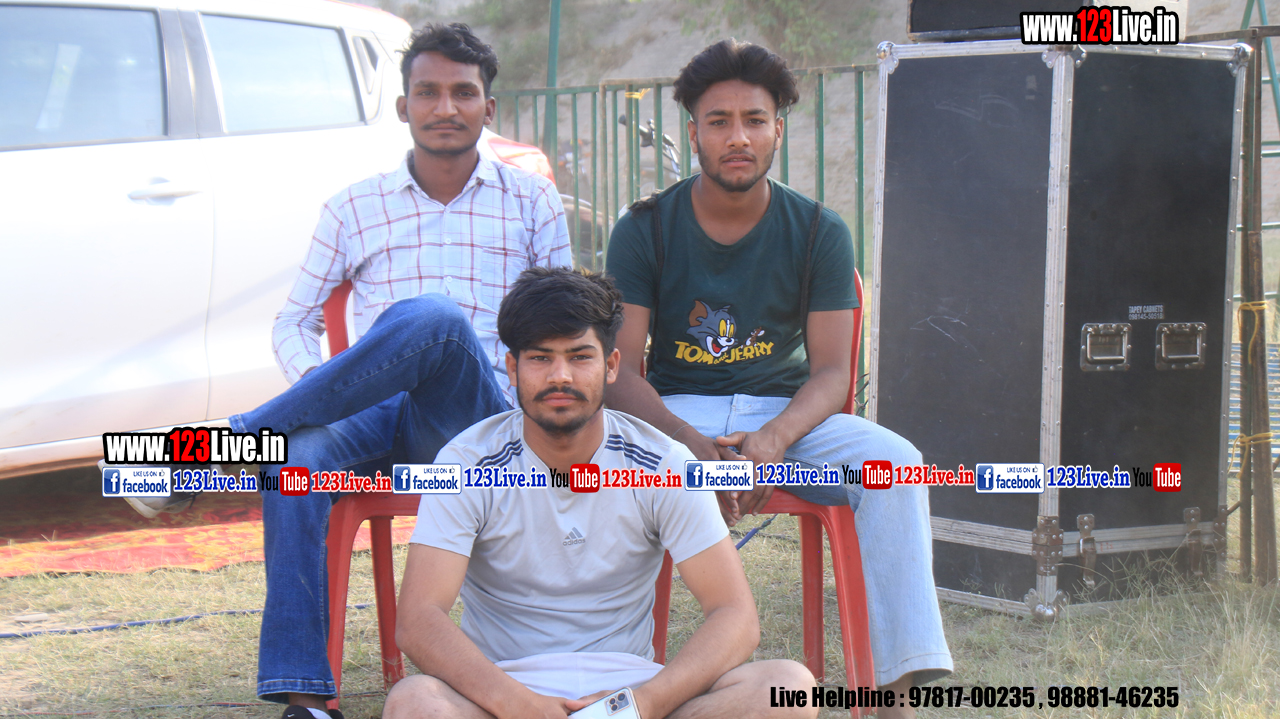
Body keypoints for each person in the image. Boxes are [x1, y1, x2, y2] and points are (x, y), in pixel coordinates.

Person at [209, 23, 569, 718]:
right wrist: (324, 392)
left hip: (482, 418)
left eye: (463, 93)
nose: (445, 107)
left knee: (436, 319)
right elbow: (294, 321)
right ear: (403, 107)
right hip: (374, 414)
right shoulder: (353, 205)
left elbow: (563, 323)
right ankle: (305, 699)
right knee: (295, 458)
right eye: (427, 92)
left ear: (489, 107)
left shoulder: (531, 200)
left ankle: (235, 437)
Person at [603, 39, 952, 717]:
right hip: (675, 413)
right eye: (719, 121)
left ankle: (891, 697)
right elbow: (618, 372)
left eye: (755, 120)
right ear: (693, 134)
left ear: (778, 131)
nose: (738, 137)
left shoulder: (819, 229)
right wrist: (686, 443)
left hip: (790, 415)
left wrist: (775, 437)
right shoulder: (644, 229)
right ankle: (611, 681)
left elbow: (833, 371)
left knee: (897, 465)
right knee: (606, 465)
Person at [385, 267, 817, 719]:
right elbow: (419, 619)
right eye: (540, 358)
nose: (560, 377)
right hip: (502, 695)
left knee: (788, 687)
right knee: (415, 702)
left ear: (611, 366)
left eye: (579, 357)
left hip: (629, 691)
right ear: (512, 368)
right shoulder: (467, 463)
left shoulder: (663, 464)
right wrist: (521, 706)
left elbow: (735, 616)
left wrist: (638, 706)